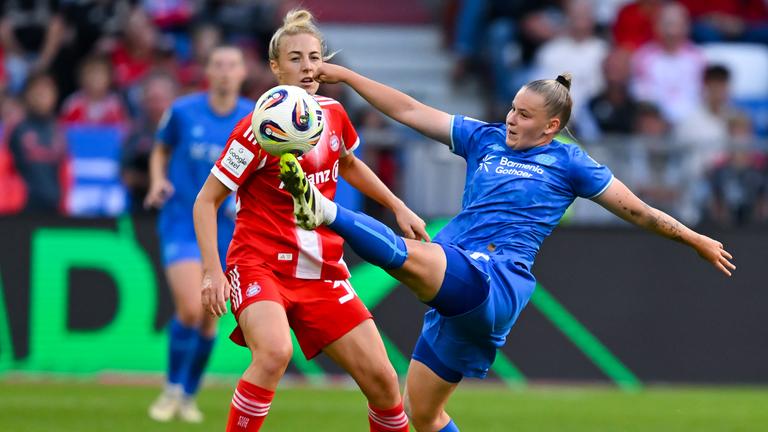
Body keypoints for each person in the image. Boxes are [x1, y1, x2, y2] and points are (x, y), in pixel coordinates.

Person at [273, 64, 736, 432]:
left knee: (416, 257)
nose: (512, 119)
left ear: (552, 126)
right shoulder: (485, 138)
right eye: (513, 109)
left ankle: (325, 212)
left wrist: (693, 238)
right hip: (457, 296)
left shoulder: (570, 162)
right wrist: (350, 78)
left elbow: (636, 210)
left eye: (525, 115)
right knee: (422, 414)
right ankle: (334, 216)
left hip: (495, 279)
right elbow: (412, 111)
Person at [193, 9, 423, 432]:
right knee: (274, 353)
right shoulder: (256, 129)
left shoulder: (333, 112)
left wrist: (397, 205)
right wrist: (212, 272)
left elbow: (349, 162)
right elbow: (206, 201)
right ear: (275, 67)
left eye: (314, 57)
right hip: (259, 263)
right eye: (295, 58)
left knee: (386, 383)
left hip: (321, 271)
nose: (308, 67)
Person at [144, 45, 252, 423]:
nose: (224, 72)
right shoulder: (184, 111)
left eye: (232, 65)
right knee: (191, 306)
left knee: (210, 318)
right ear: (207, 71)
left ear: (242, 73)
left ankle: (188, 394)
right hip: (182, 220)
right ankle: (171, 388)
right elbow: (160, 148)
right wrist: (158, 180)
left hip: (230, 231)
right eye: (218, 65)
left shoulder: (255, 117)